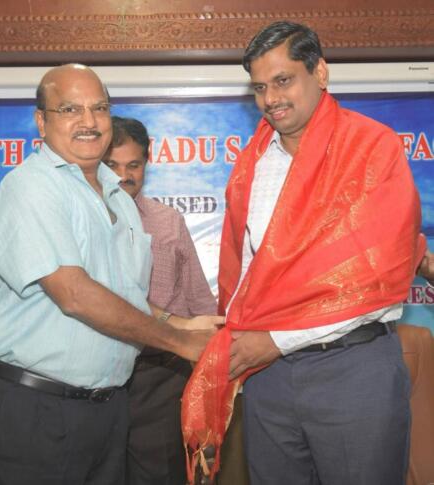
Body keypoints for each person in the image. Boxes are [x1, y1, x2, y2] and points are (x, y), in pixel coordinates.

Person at [181, 21, 425, 485]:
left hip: (352, 370)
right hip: (268, 379)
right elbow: (249, 271)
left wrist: (273, 342)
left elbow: (375, 282)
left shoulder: (372, 148)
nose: (271, 98)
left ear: (321, 73)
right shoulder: (252, 162)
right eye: (259, 87)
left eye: (283, 80)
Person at [0, 64, 220, 485]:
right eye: (70, 109)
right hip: (40, 409)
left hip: (108, 408)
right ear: (41, 121)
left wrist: (179, 320)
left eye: (100, 108)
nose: (88, 122)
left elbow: (119, 294)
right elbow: (74, 293)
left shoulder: (116, 196)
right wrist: (180, 341)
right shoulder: (32, 188)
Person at [102, 116, 217, 485]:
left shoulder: (168, 222)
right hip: (96, 378)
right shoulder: (82, 222)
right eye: (113, 165)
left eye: (133, 165)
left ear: (146, 165)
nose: (124, 175)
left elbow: (199, 299)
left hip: (159, 377)